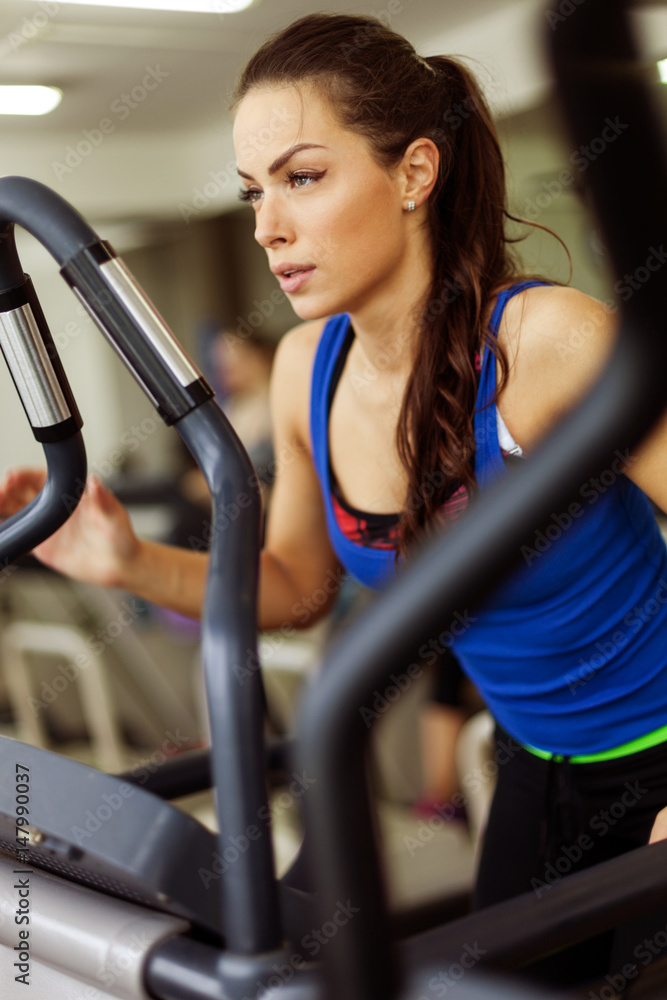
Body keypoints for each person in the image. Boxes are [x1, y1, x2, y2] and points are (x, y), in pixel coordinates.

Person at [2, 12, 667, 982]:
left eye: (302, 177)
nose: (268, 226)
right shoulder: (307, 371)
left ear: (413, 173)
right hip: (535, 762)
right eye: (252, 191)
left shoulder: (544, 346)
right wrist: (127, 561)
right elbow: (296, 585)